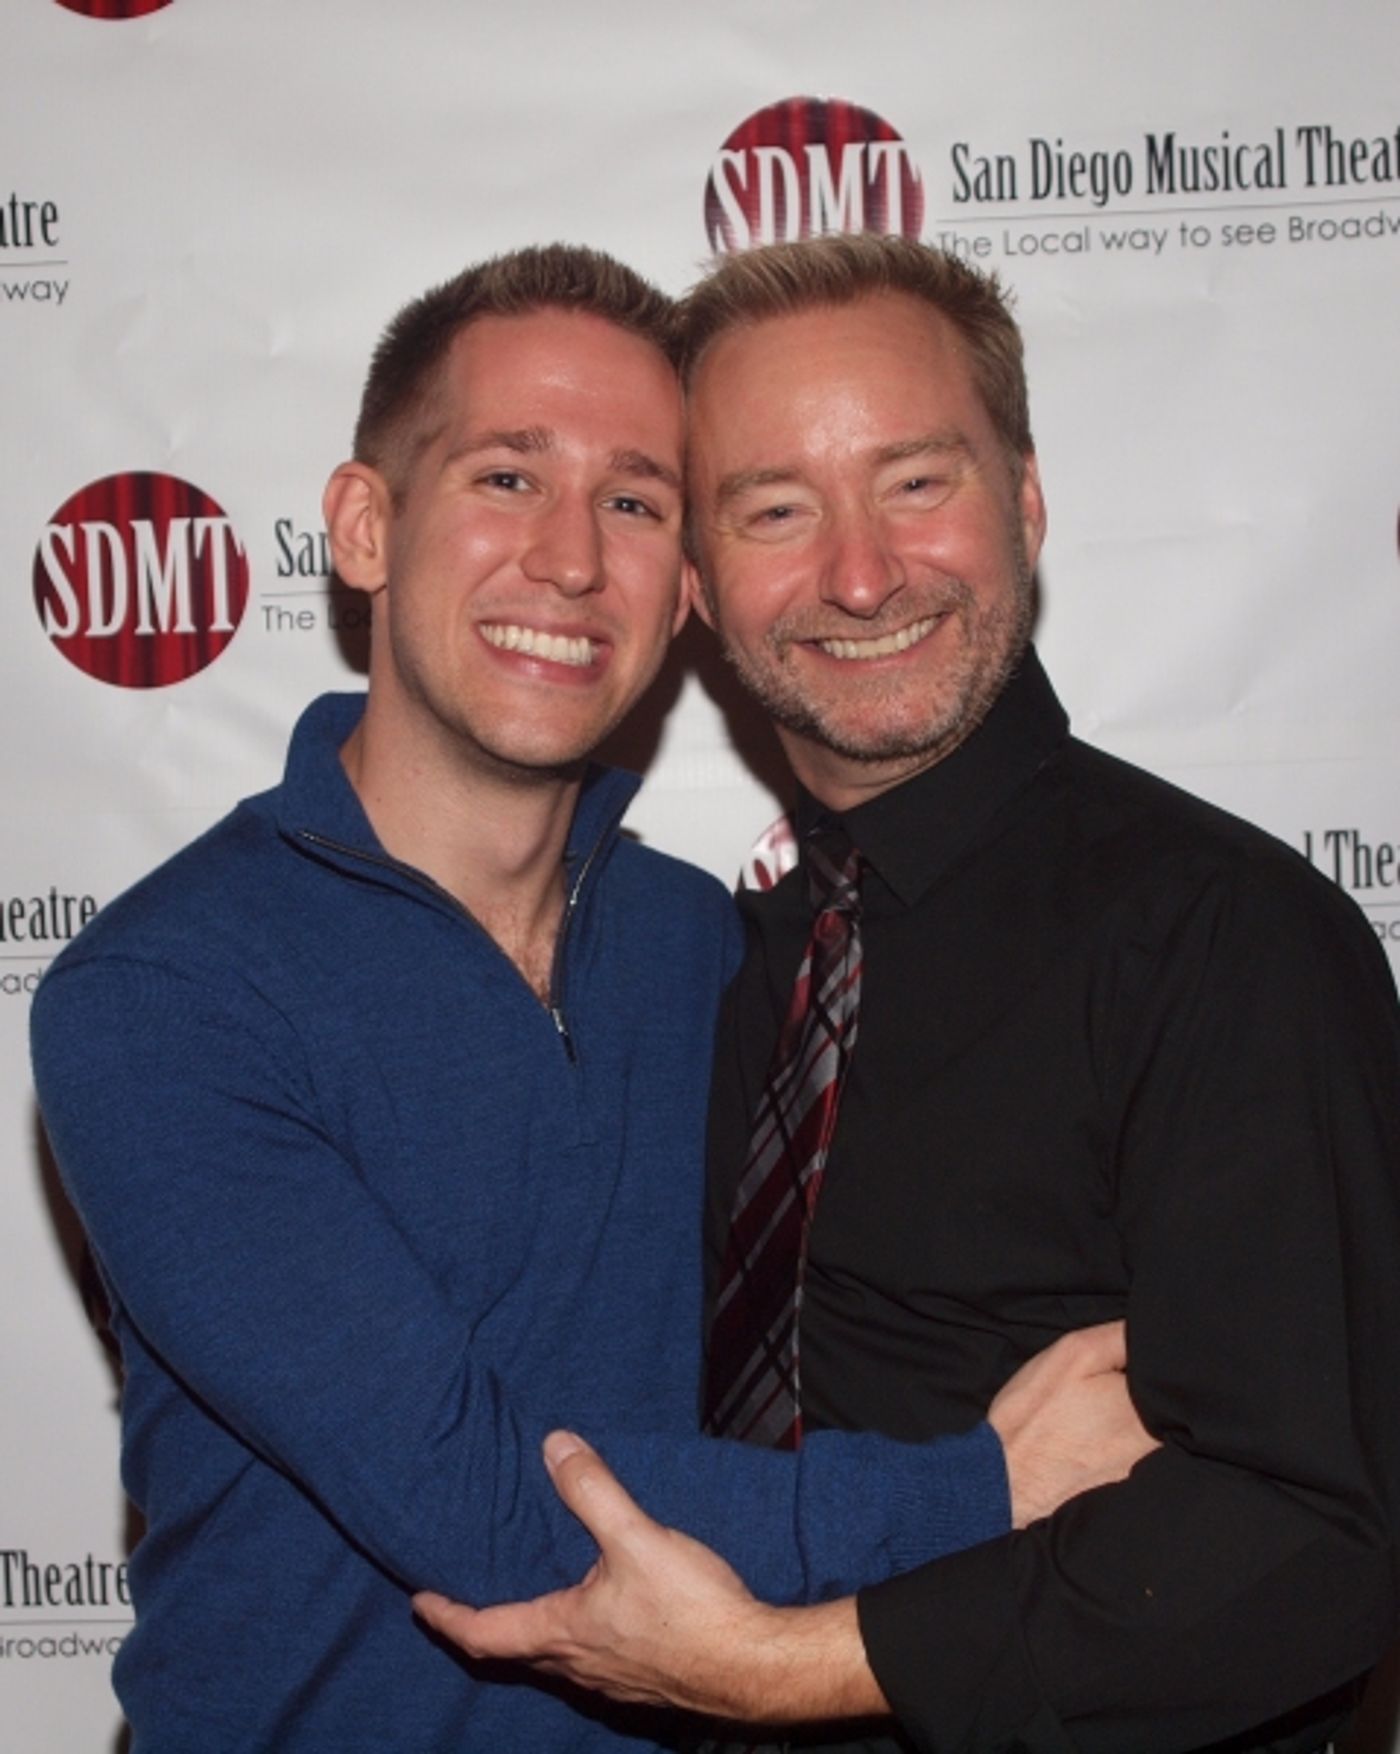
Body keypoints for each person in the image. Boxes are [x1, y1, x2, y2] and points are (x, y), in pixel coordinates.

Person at [30, 244, 1150, 1753]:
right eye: (506, 477)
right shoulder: (159, 996)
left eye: (634, 501)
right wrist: (984, 1487)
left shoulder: (719, 946)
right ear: (366, 526)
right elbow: (487, 1511)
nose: (570, 559)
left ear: (688, 586)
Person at [414, 235, 1400, 1753]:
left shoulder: (1226, 940)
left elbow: (1314, 1540)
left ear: (1027, 499)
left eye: (917, 481)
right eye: (777, 509)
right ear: (697, 581)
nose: (861, 572)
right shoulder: (710, 967)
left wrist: (781, 1665)